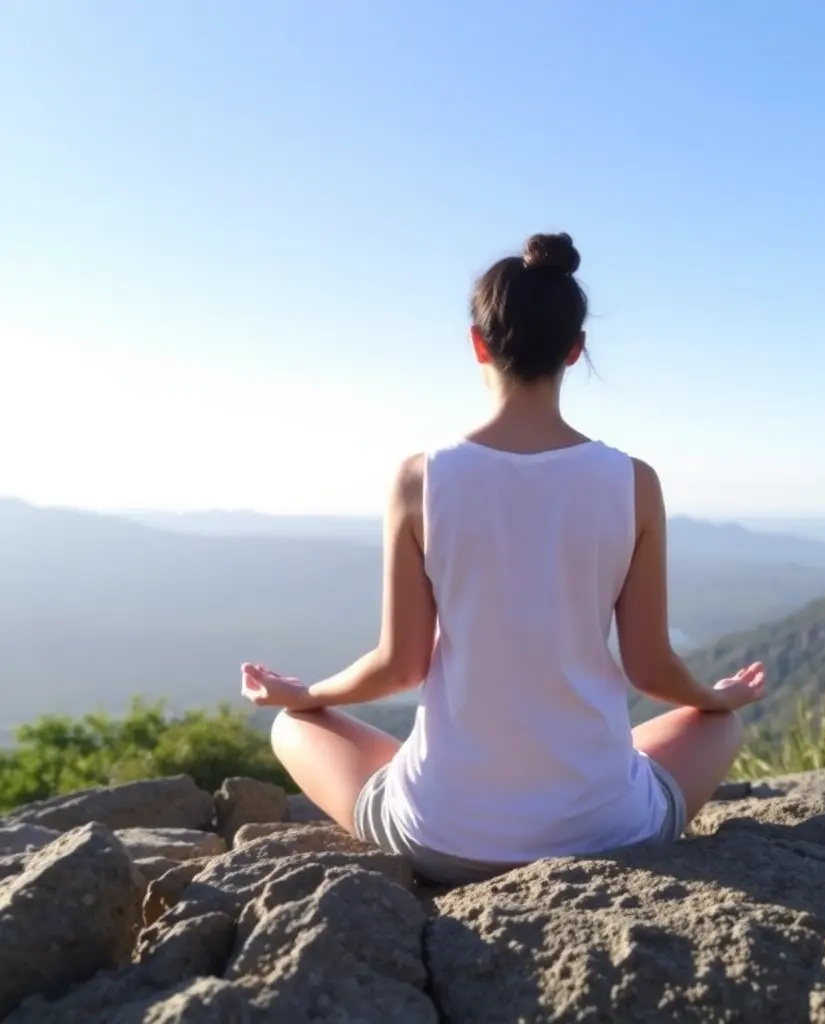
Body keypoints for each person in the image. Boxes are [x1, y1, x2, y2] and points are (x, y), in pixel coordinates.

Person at [240, 232, 766, 886]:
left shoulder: (419, 480)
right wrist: (718, 697)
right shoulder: (633, 482)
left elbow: (400, 666)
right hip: (606, 834)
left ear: (477, 344)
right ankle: (578, 778)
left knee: (294, 727)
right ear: (575, 351)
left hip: (444, 836)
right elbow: (652, 669)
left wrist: (305, 692)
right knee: (718, 729)